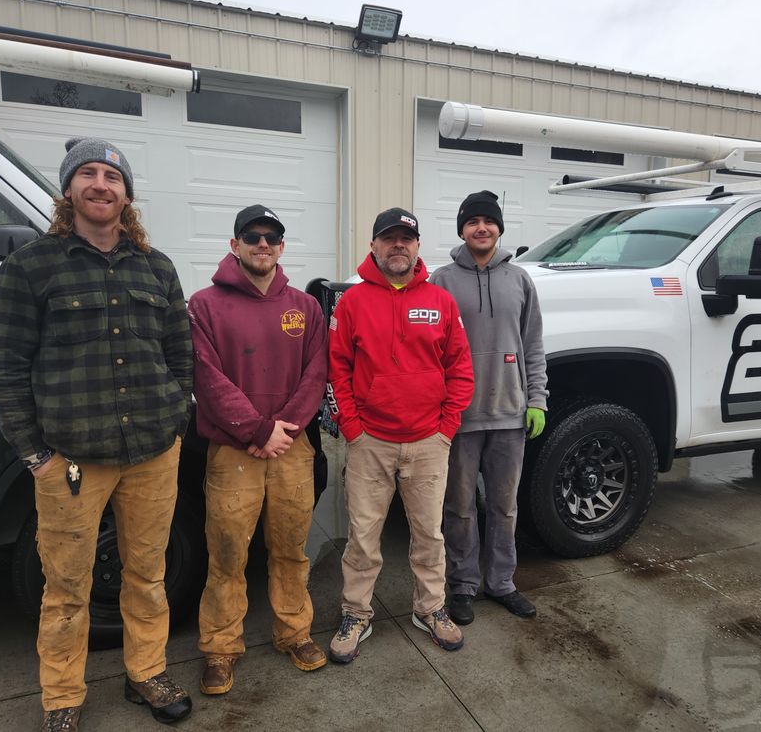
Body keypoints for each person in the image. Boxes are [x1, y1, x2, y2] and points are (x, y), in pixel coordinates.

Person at [0, 138, 194, 731]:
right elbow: (3, 366)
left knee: (147, 576)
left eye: (112, 176)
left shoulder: (157, 268)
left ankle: (146, 672)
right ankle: (63, 698)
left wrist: (177, 417)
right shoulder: (32, 267)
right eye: (88, 174)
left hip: (153, 452)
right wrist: (35, 454)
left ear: (127, 196)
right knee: (67, 587)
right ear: (69, 189)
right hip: (70, 462)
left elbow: (182, 355)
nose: (101, 184)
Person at [189, 204, 329, 694]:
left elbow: (317, 373)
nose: (262, 244)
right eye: (252, 236)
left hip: (292, 447)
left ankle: (294, 632)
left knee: (291, 549)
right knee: (227, 554)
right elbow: (206, 378)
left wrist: (283, 430)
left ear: (282, 247)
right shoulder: (204, 306)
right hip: (234, 452)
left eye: (272, 236)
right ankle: (221, 648)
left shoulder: (305, 308)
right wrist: (255, 429)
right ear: (235, 245)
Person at [326, 208, 474, 663]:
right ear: (372, 246)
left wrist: (446, 428)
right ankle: (356, 614)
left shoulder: (442, 302)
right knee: (363, 536)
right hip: (371, 443)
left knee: (430, 534)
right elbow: (338, 369)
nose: (398, 246)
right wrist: (353, 427)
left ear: (416, 247)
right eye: (388, 238)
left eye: (405, 239)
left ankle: (430, 609)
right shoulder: (351, 302)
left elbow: (461, 369)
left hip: (428, 442)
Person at [429, 190, 548, 626]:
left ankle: (501, 582)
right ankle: (462, 585)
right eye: (472, 221)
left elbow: (533, 344)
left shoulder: (519, 280)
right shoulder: (441, 281)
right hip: (459, 419)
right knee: (459, 508)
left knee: (504, 505)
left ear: (499, 228)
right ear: (461, 229)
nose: (482, 227)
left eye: (489, 221)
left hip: (511, 415)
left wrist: (536, 400)